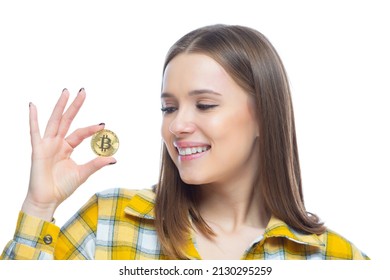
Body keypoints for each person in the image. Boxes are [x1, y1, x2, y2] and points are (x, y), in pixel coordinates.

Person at [1, 24, 369, 260]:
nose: (177, 125)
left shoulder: (333, 259)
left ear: (263, 115)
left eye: (204, 105)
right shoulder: (109, 221)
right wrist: (39, 205)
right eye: (168, 107)